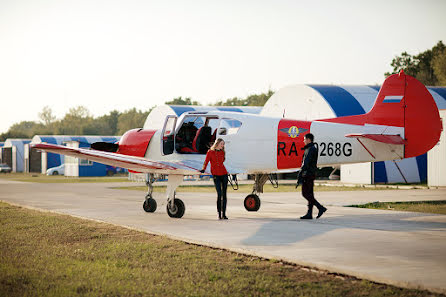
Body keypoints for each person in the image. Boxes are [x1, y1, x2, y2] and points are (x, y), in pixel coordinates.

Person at [297, 133, 327, 219]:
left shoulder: (310, 149)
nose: (303, 141)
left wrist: (301, 172)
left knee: (305, 193)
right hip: (310, 174)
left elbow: (306, 162)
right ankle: (309, 213)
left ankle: (320, 207)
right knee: (310, 194)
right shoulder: (310, 148)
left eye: (304, 139)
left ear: (309, 140)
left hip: (308, 174)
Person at [200, 138, 229, 220]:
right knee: (219, 194)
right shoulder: (210, 152)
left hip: (224, 174)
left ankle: (224, 214)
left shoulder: (222, 152)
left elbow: (222, 161)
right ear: (217, 144)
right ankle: (219, 213)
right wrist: (203, 169)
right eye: (222, 144)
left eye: (223, 144)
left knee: (224, 195)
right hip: (216, 175)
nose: (223, 146)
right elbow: (206, 161)